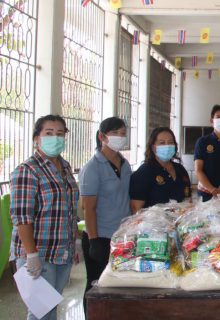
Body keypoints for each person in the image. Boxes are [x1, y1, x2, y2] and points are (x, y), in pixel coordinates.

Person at [10, 115, 79, 320]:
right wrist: (31, 255)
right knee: (40, 311)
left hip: (62, 251)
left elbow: (69, 210)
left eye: (60, 133)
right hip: (39, 253)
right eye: (48, 133)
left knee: (52, 307)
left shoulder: (64, 167)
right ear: (36, 138)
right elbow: (22, 217)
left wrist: (73, 244)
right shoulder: (27, 170)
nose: (55, 138)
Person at [78, 117, 132, 310]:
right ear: (102, 137)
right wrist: (94, 241)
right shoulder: (92, 168)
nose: (120, 137)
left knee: (118, 284)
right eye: (115, 133)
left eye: (123, 133)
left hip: (122, 237)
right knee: (96, 285)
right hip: (100, 236)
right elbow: (88, 208)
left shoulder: (125, 164)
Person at [129, 127, 191, 213]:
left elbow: (188, 199)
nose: (167, 146)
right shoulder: (144, 172)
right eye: (162, 143)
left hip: (180, 219)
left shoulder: (180, 169)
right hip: (153, 221)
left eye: (170, 142)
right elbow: (136, 208)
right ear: (153, 147)